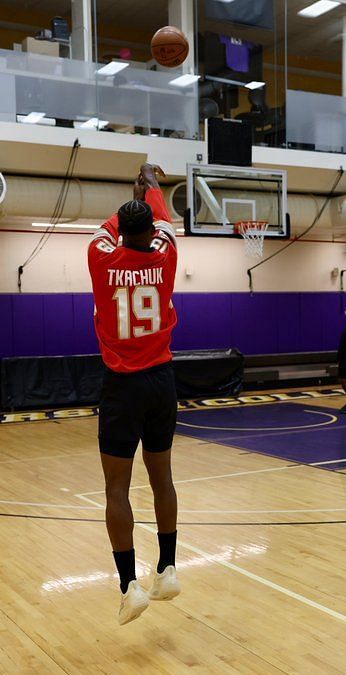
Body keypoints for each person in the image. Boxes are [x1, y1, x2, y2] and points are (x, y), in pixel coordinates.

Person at [88, 163, 180, 625]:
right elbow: (161, 221)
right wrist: (152, 188)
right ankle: (167, 568)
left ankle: (129, 586)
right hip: (162, 381)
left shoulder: (100, 256)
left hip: (121, 386)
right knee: (162, 479)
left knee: (116, 488)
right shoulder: (165, 255)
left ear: (121, 231)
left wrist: (131, 198)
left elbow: (114, 227)